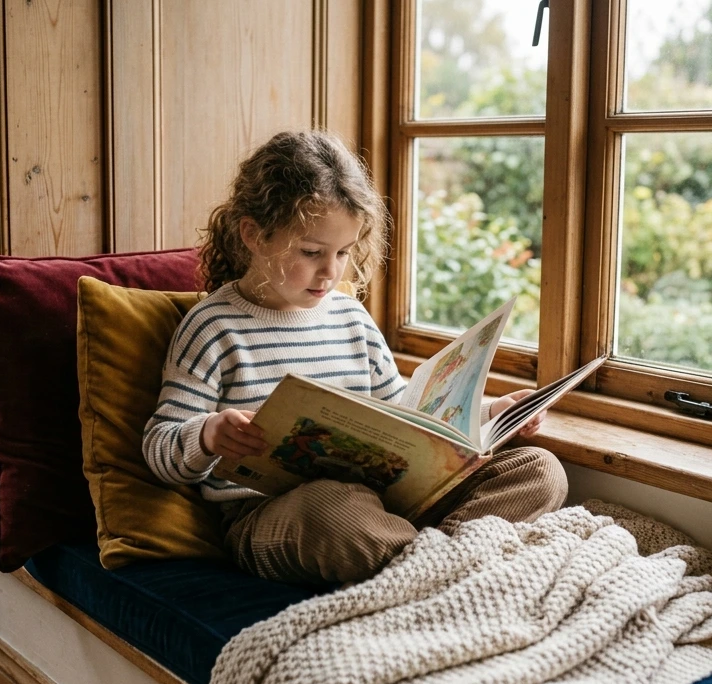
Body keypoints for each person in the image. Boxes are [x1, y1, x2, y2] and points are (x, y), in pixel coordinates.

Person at [142, 130, 568, 586]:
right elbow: (159, 447)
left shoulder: (350, 316)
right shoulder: (213, 327)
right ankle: (438, 567)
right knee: (335, 507)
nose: (331, 271)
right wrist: (207, 434)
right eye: (311, 252)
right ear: (254, 235)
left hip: (383, 502)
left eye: (343, 252)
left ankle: (417, 564)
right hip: (275, 514)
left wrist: (490, 415)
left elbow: (407, 415)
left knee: (540, 471)